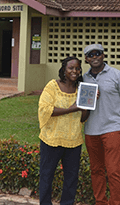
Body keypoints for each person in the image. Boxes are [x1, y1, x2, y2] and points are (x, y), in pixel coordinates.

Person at [82, 43, 120, 205]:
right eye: (90, 55)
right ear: (86, 59)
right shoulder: (83, 79)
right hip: (91, 130)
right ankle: (100, 201)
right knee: (96, 170)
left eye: (97, 53)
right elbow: (83, 107)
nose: (94, 57)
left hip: (112, 129)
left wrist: (118, 123)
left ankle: (115, 202)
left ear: (103, 55)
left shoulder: (117, 75)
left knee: (113, 171)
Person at [38, 56, 89, 205]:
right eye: (71, 68)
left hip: (73, 141)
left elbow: (83, 118)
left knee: (71, 179)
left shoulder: (81, 90)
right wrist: (72, 108)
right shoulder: (52, 86)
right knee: (47, 176)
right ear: (64, 70)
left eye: (78, 68)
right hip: (51, 140)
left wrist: (89, 104)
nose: (75, 71)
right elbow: (46, 110)